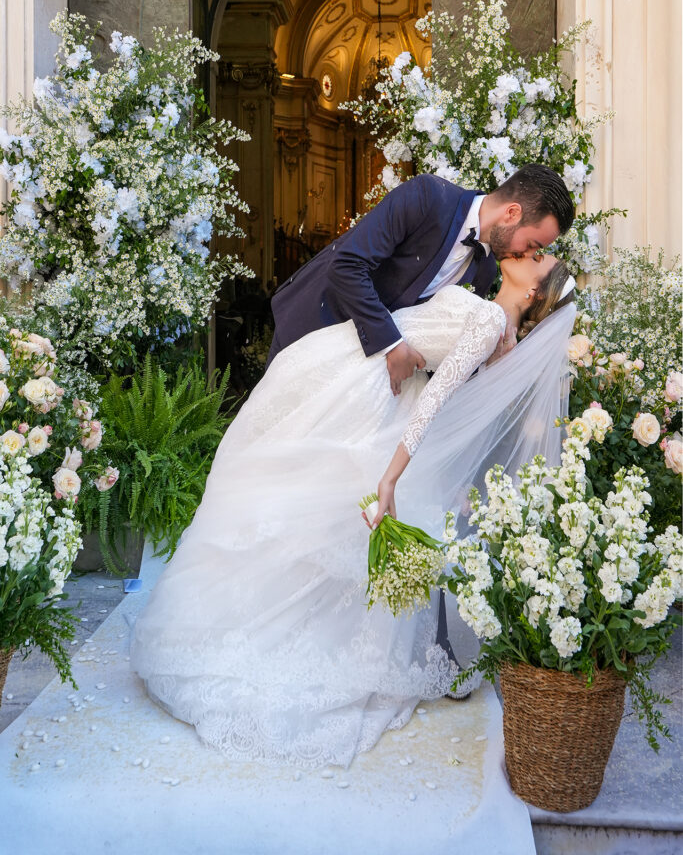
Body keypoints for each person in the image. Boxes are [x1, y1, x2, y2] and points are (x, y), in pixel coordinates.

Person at [130, 247, 577, 771]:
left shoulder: (487, 321)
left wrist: (389, 478)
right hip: (363, 370)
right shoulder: (489, 314)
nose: (531, 252)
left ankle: (271, 634)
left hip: (369, 392)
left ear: (532, 291)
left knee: (298, 496)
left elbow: (434, 403)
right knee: (292, 492)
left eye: (539, 261)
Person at [268, 165, 575, 396]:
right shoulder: (429, 197)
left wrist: (485, 360)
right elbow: (347, 264)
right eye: (533, 245)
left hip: (357, 380)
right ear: (511, 213)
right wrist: (392, 344)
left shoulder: (485, 271)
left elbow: (434, 340)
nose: (526, 253)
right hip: (312, 329)